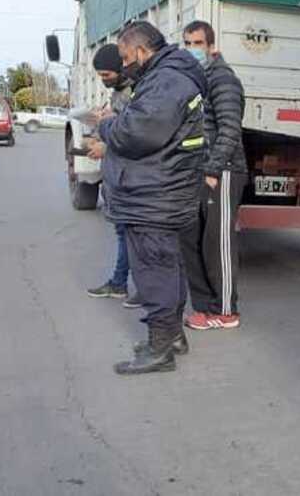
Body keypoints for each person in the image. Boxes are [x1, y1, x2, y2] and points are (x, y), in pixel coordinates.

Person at [92, 21, 208, 375]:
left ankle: (160, 348)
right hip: (161, 190)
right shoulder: (166, 77)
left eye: (126, 57)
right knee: (166, 266)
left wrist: (106, 124)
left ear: (142, 51)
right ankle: (171, 337)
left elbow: (135, 134)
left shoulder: (167, 80)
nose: (125, 64)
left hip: (155, 194)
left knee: (154, 270)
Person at [181, 21, 248, 331]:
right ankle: (205, 309)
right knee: (192, 239)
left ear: (210, 46)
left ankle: (225, 311)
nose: (192, 49)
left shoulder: (223, 80)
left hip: (223, 171)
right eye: (187, 43)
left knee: (217, 242)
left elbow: (230, 129)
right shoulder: (199, 80)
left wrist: (212, 170)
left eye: (197, 43)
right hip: (199, 170)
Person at [85, 44, 143, 310]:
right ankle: (120, 283)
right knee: (123, 231)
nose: (104, 80)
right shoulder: (120, 92)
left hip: (133, 175)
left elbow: (135, 134)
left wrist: (106, 146)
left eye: (107, 74)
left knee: (136, 234)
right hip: (119, 173)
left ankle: (143, 288)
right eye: (100, 76)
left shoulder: (137, 92)